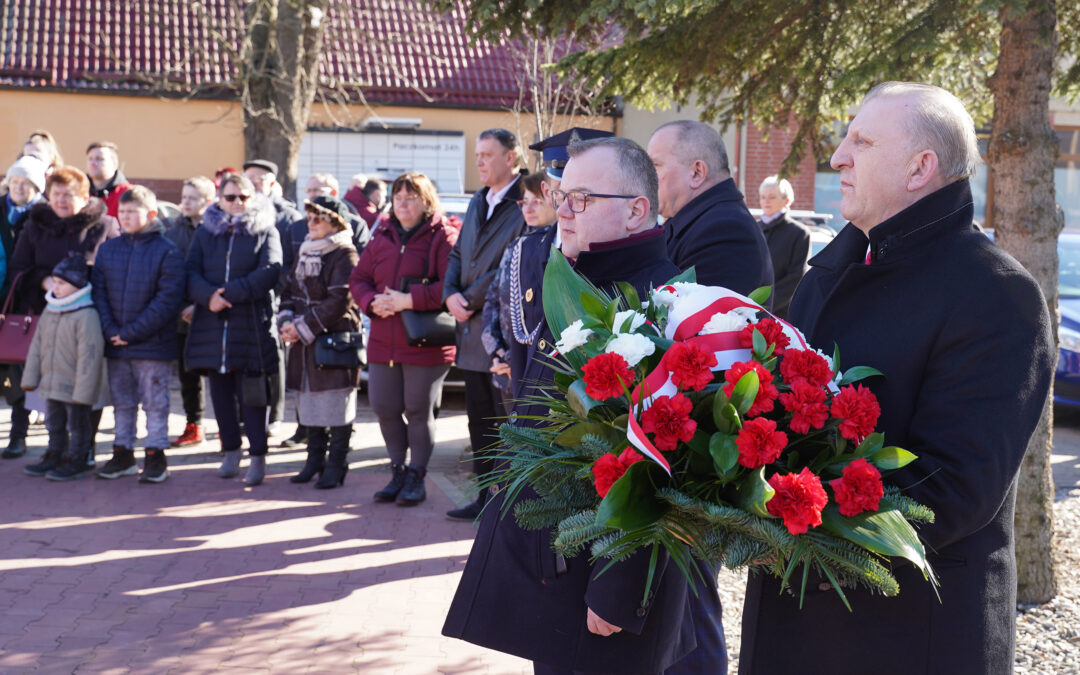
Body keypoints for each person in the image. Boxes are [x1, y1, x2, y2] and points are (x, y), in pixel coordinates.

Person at [740, 82, 1055, 674]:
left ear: (919, 168)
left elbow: (955, 490)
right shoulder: (830, 271)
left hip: (904, 636)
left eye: (860, 141)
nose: (837, 157)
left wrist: (785, 520)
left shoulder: (995, 294)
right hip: (796, 617)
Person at [444, 137, 705, 674]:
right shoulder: (585, 276)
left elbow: (663, 470)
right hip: (562, 566)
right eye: (562, 194)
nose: (561, 209)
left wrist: (618, 587)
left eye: (581, 198)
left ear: (636, 210)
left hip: (599, 588)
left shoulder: (654, 301)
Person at [349, 172, 459, 505]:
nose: (403, 204)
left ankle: (417, 475)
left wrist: (410, 299)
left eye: (411, 198)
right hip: (384, 339)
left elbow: (450, 286)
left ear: (426, 201)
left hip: (425, 342)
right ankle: (397, 470)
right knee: (384, 406)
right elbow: (359, 278)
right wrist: (371, 302)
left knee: (417, 409)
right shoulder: (381, 233)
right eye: (398, 198)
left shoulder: (444, 236)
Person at [442, 128, 528, 521]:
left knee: (504, 422)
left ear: (511, 158)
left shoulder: (521, 202)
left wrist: (469, 299)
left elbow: (506, 265)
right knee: (478, 422)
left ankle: (505, 506)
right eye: (477, 154)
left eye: (486, 155)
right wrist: (449, 294)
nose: (478, 162)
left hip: (499, 335)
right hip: (469, 332)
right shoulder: (478, 200)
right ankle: (482, 498)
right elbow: (459, 252)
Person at [10, 166, 119, 470]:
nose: (60, 200)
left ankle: (84, 449)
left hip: (89, 317)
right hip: (47, 316)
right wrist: (48, 284)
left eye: (68, 195)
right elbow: (19, 268)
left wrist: (78, 287)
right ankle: (55, 449)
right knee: (51, 387)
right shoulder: (35, 225)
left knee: (87, 384)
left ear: (85, 197)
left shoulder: (105, 226)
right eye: (55, 194)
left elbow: (115, 272)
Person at [184, 173, 283, 486]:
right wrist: (207, 297)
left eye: (243, 197)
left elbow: (270, 271)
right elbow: (190, 272)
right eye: (231, 197)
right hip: (212, 327)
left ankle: (257, 456)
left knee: (253, 396)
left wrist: (229, 294)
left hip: (250, 326)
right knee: (221, 395)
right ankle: (230, 451)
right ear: (220, 199)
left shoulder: (266, 230)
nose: (237, 203)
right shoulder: (205, 233)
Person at [91, 186, 185, 483]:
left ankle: (156, 455)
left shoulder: (167, 251)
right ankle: (123, 454)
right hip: (116, 342)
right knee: (122, 401)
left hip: (152, 345)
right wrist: (110, 330)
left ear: (151, 214)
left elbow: (167, 300)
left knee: (156, 403)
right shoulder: (108, 249)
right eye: (122, 212)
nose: (126, 217)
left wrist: (131, 332)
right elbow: (99, 293)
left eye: (133, 212)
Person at [278, 195, 362, 490]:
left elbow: (340, 300)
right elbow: (288, 289)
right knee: (309, 401)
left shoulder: (344, 254)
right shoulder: (305, 251)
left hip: (335, 340)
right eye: (308, 218)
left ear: (335, 222)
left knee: (337, 404)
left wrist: (302, 327)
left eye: (317, 219)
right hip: (304, 342)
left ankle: (337, 464)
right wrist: (286, 321)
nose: (310, 224)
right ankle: (314, 460)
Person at [646, 120, 773, 297]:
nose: (647, 179)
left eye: (655, 166)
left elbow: (689, 319)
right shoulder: (698, 221)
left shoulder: (725, 231)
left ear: (697, 172)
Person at [21, 254, 107, 480]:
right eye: (54, 282)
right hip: (51, 383)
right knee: (53, 423)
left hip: (75, 387)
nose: (55, 288)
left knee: (78, 426)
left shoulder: (86, 314)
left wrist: (85, 391)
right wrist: (30, 378)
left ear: (77, 285)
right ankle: (54, 454)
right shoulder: (51, 310)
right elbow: (36, 346)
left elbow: (90, 356)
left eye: (61, 283)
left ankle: (78, 460)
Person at [480, 170, 558, 408]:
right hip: (505, 369)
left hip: (537, 369)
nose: (529, 208)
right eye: (525, 202)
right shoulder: (517, 246)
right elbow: (493, 299)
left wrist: (515, 359)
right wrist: (498, 354)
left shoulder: (559, 250)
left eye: (538, 202)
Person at [0, 155, 48, 459]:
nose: (19, 187)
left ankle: (18, 435)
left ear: (37, 188)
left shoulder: (44, 217)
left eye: (26, 183)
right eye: (15, 181)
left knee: (22, 370)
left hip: (27, 303)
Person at [165, 176, 215, 447]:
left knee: (219, 375)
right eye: (183, 197)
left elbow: (217, 274)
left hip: (211, 313)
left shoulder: (216, 231)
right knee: (187, 375)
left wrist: (202, 304)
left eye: (192, 198)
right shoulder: (173, 232)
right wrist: (181, 307)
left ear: (207, 203)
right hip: (181, 316)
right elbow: (170, 276)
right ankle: (194, 424)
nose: (185, 202)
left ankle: (229, 427)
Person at [756, 175, 811, 318]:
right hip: (748, 313)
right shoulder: (752, 229)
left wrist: (763, 309)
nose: (766, 201)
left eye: (772, 197)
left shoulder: (799, 233)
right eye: (763, 197)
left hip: (781, 317)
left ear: (786, 200)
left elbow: (796, 278)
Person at [300, 173, 370, 255]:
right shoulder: (299, 226)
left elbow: (360, 260)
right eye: (309, 191)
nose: (311, 195)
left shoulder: (356, 225)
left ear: (333, 193)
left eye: (316, 190)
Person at [86, 141, 133, 218]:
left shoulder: (129, 193)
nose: (93, 163)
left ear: (115, 164)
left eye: (99, 159)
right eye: (90, 159)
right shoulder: (79, 192)